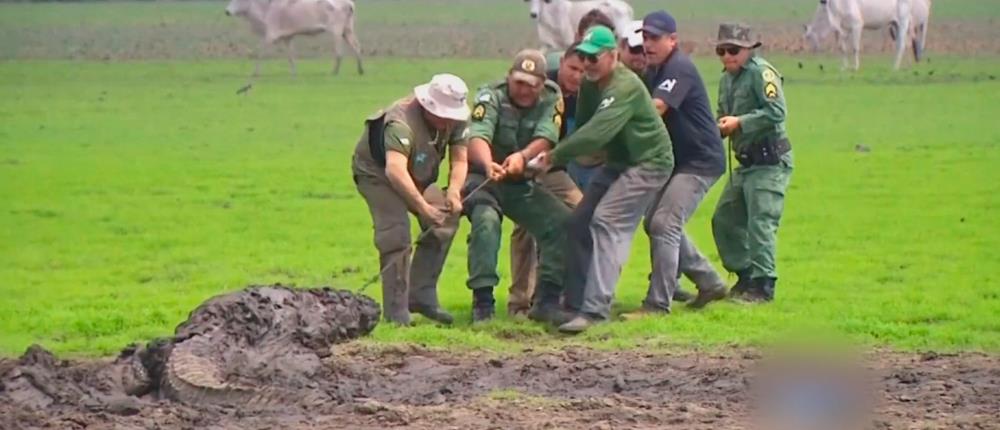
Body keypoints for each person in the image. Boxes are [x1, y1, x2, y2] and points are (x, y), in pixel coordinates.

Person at [534, 26, 675, 333]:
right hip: (618, 161)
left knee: (608, 221)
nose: (587, 64)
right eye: (583, 57)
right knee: (578, 222)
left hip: (649, 162)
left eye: (594, 58)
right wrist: (564, 154)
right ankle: (574, 302)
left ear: (612, 56)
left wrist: (554, 157)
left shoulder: (624, 86)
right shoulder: (590, 83)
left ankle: (595, 312)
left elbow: (598, 130)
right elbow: (583, 128)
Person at [621, 11, 730, 321]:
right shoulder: (654, 69)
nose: (648, 44)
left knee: (664, 223)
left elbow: (656, 108)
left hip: (699, 161)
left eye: (655, 38)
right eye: (645, 37)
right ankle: (709, 282)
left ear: (673, 40)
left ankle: (657, 305)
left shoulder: (678, 67)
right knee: (653, 220)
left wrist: (616, 126)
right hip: (679, 161)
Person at [462, 50, 574, 325]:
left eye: (530, 85)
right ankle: (483, 303)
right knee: (486, 222)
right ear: (509, 77)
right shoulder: (491, 95)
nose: (523, 90)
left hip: (519, 180)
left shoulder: (551, 96)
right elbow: (478, 135)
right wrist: (489, 164)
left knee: (561, 223)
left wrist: (522, 158)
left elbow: (547, 136)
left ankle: (546, 300)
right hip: (483, 178)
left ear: (540, 85)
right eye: (518, 83)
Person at [351, 73, 470, 326]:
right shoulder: (401, 121)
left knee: (445, 218)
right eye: (443, 114)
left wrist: (454, 191)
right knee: (396, 234)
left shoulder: (455, 119)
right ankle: (396, 313)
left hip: (417, 174)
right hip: (377, 174)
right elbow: (394, 170)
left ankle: (421, 294)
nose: (448, 120)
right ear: (428, 105)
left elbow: (460, 159)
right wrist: (422, 207)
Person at [711, 23, 794, 302]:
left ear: (748, 50)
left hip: (769, 160)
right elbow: (723, 114)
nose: (726, 56)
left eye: (733, 50)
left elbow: (776, 112)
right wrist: (720, 127)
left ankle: (764, 285)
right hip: (745, 163)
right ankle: (745, 275)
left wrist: (740, 122)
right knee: (724, 218)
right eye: (721, 50)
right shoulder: (726, 80)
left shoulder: (762, 73)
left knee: (760, 222)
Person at [504, 47, 587, 318]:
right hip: (521, 164)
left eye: (584, 71)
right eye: (573, 68)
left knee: (582, 213)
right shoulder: (544, 87)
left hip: (553, 167)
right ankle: (519, 300)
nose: (578, 76)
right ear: (561, 64)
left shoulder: (590, 93)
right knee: (525, 228)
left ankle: (567, 293)